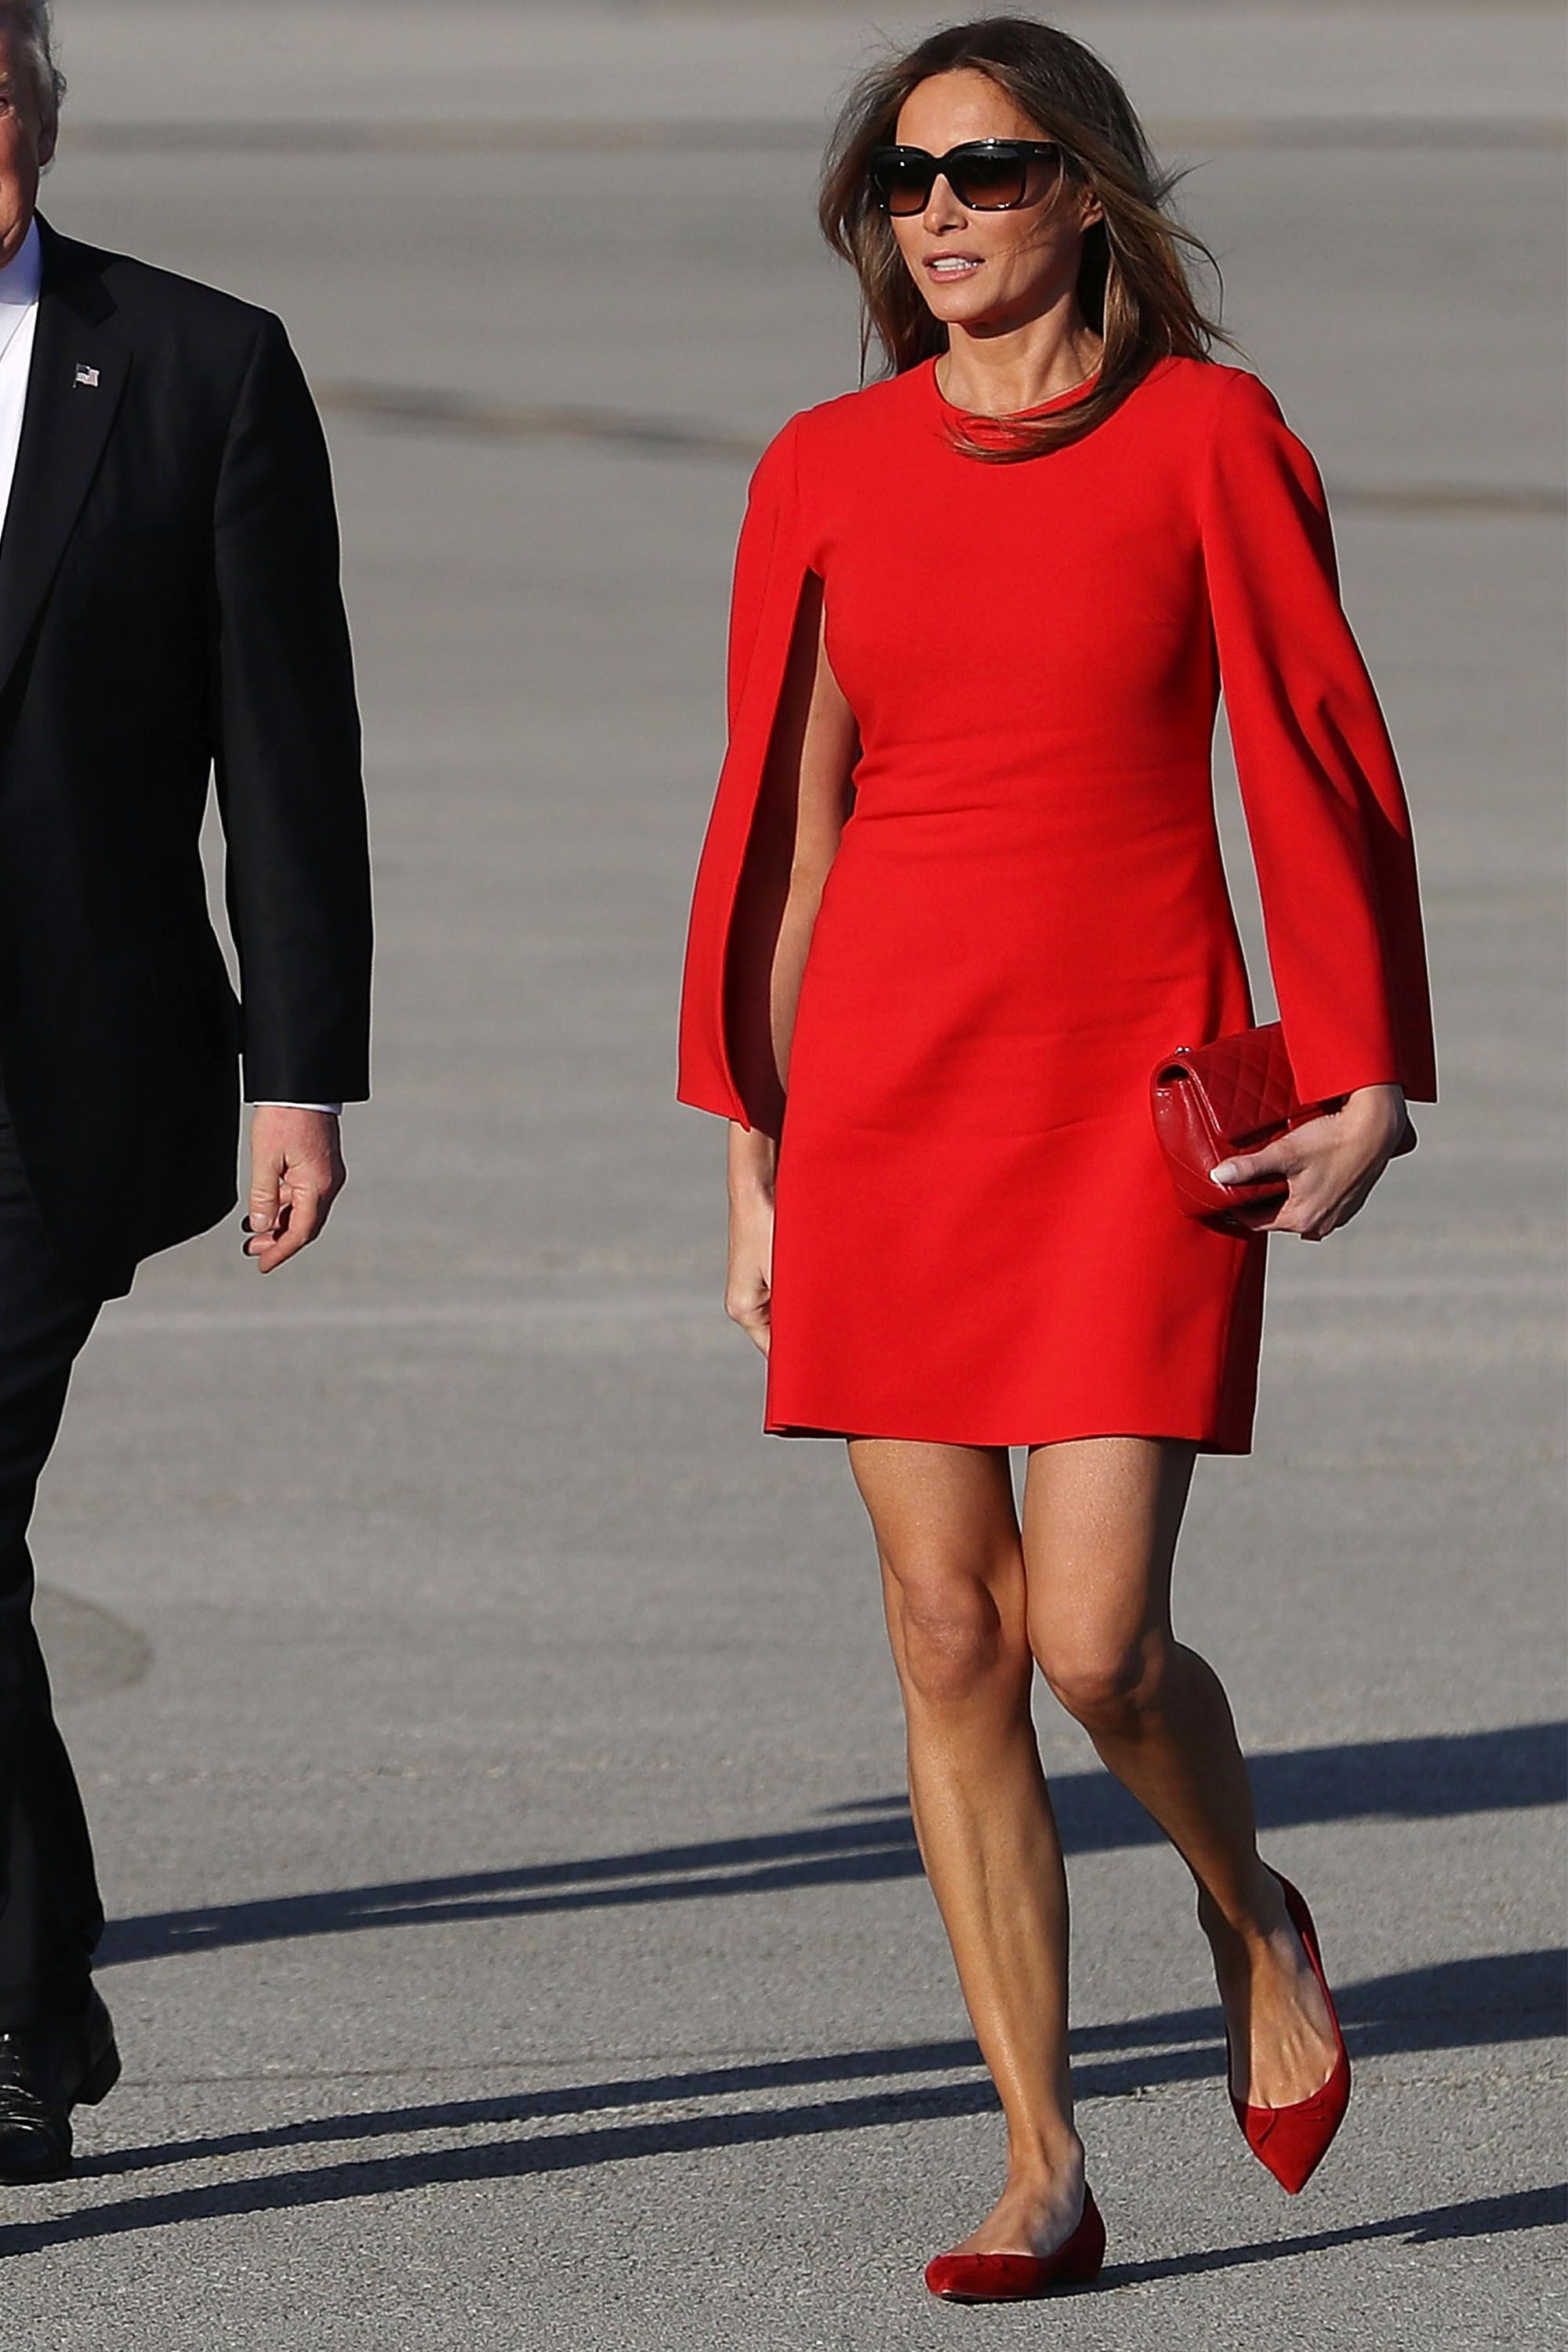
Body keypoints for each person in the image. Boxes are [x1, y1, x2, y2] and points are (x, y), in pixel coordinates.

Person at [677, 13, 1436, 2303]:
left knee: (1097, 1639)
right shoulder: (822, 464)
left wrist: (1371, 1064)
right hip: (890, 1103)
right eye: (902, 185)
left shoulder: (1213, 440)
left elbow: (1319, 751)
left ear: (1084, 188)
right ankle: (1041, 2161)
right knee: (945, 1634)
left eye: (987, 172)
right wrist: (756, 1151)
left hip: (1134, 1093)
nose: (940, 216)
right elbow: (781, 831)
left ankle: (1246, 1902)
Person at [0, 2, 370, 2182]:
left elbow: (284, 756)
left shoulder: (202, 365)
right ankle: (33, 1989)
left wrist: (300, 1073)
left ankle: (21, 2015)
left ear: (51, 107)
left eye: (8, 90)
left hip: (68, 1067)